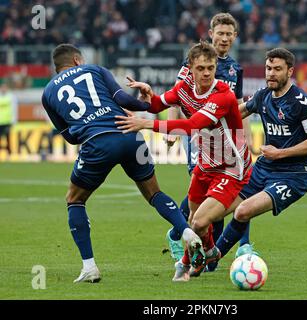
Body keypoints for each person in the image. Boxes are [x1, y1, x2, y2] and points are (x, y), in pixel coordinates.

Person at [41, 43, 202, 283]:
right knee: (154, 193)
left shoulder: (48, 93)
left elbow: (70, 136)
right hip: (130, 135)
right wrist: (147, 104)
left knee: (74, 199)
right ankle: (187, 231)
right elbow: (123, 99)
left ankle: (89, 267)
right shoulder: (95, 69)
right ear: (77, 60)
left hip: (98, 144)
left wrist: (88, 125)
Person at [115, 41, 253, 281]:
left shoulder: (223, 95)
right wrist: (150, 96)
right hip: (205, 163)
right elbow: (160, 103)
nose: (207, 73)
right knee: (192, 220)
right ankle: (209, 252)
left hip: (231, 167)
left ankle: (193, 260)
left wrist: (146, 123)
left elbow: (190, 125)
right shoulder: (184, 87)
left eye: (211, 67)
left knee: (199, 221)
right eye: (201, 68)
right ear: (190, 68)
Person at [214, 47, 307, 263]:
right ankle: (206, 258)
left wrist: (280, 153)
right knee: (216, 208)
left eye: (277, 69)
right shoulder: (263, 95)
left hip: (292, 175)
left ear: (289, 71)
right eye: (268, 68)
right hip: (264, 168)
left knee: (243, 211)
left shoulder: (301, 102)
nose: (271, 73)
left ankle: (212, 257)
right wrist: (206, 122)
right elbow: (238, 112)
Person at [164, 13, 253, 268]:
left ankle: (219, 248)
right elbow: (176, 94)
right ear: (211, 33)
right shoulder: (197, 60)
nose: (224, 38)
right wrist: (172, 130)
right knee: (204, 187)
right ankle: (179, 234)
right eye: (220, 33)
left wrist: (245, 137)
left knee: (230, 189)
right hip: (198, 135)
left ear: (235, 37)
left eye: (229, 34)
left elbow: (237, 107)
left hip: (227, 139)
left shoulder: (236, 69)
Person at [0, 83, 18, 158]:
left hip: (7, 122)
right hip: (0, 122)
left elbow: (14, 109)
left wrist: (13, 120)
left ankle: (9, 154)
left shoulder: (11, 97)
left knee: (8, 138)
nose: (4, 89)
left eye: (5, 88)